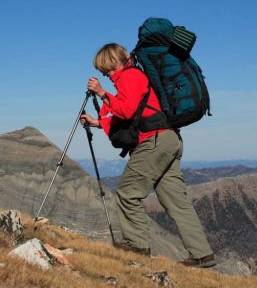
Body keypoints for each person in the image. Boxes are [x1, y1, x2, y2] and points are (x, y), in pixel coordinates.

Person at [80, 43, 216, 268]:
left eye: (107, 70)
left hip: (154, 141)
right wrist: (97, 122)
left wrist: (102, 93)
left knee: (127, 192)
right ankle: (202, 254)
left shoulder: (130, 76)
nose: (106, 74)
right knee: (175, 200)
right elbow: (134, 112)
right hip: (168, 140)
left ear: (115, 63)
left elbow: (126, 110)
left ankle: (137, 245)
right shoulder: (135, 76)